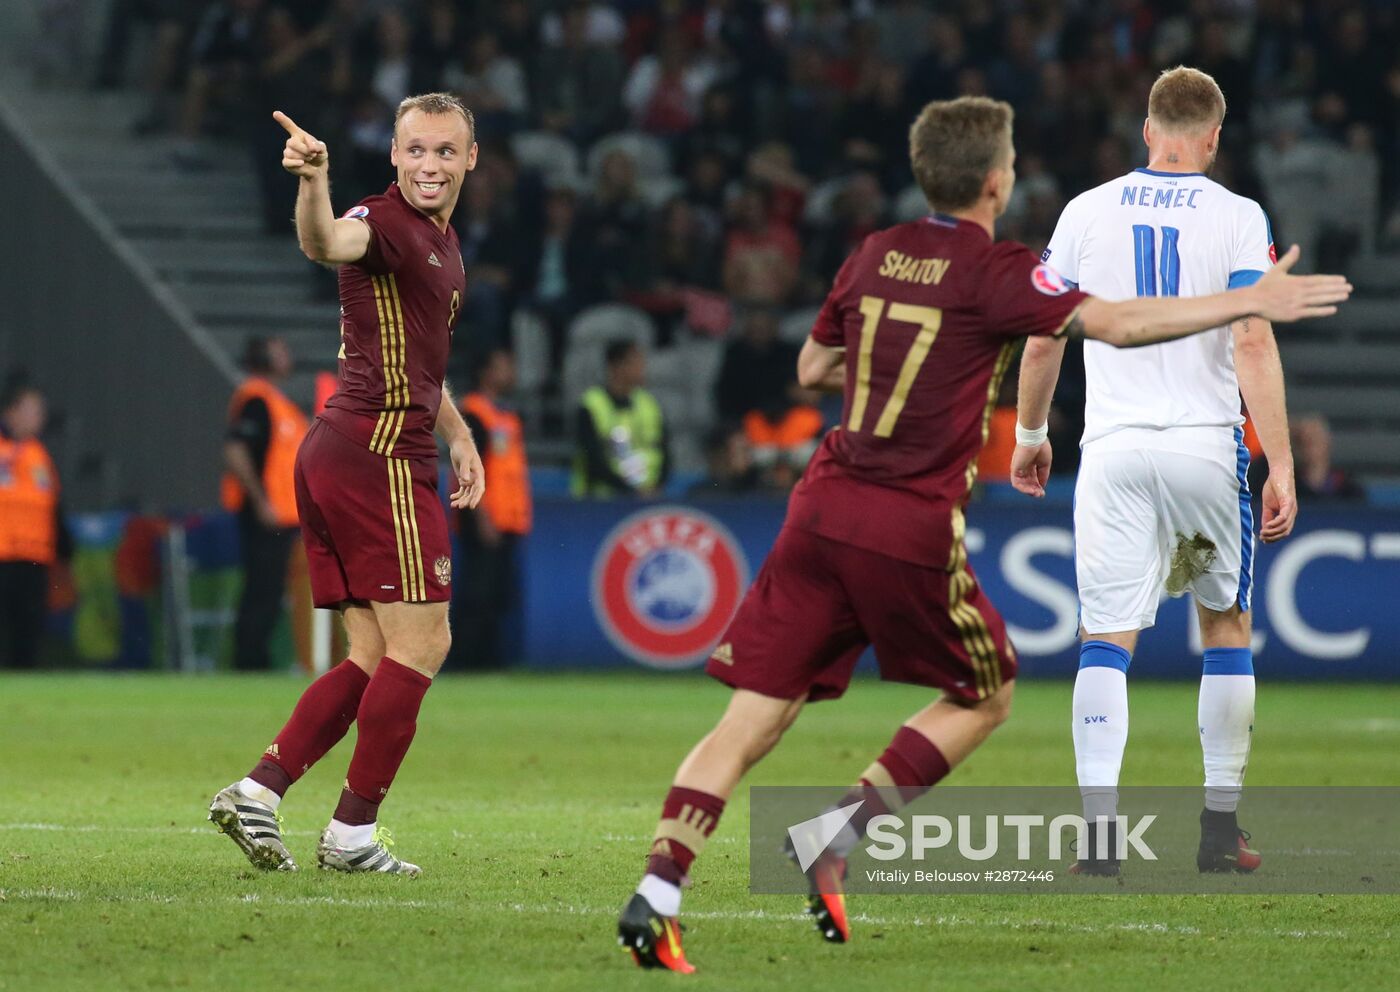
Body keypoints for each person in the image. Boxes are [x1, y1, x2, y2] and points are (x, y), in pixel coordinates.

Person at [615, 95, 1350, 972]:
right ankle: (836, 834)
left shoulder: (874, 252)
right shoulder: (999, 271)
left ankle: (658, 890)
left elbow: (813, 366)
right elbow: (1112, 323)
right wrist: (1249, 303)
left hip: (819, 509)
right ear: (999, 179)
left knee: (754, 717)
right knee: (990, 689)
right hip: (915, 519)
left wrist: (928, 370)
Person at [1013, 67, 1301, 877]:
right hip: (1201, 458)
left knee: (1106, 639)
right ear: (1213, 137)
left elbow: (1042, 338)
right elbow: (1250, 340)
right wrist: (1278, 460)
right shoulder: (1240, 217)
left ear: (1147, 130)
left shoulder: (1084, 211)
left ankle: (1101, 840)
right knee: (1223, 627)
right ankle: (1216, 830)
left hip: (1113, 456)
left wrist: (1031, 434)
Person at [208, 92, 487, 877]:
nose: (429, 164)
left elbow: (424, 366)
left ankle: (257, 791)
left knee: (371, 651)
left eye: (444, 151)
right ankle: (353, 834)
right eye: (416, 150)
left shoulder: (441, 243)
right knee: (426, 642)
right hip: (379, 456)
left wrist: (460, 435)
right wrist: (313, 182)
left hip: (346, 449)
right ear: (394, 156)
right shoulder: (385, 224)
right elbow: (328, 240)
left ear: (471, 159)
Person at [221, 336, 308, 671]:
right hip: (265, 514)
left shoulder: (276, 402)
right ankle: (249, 662)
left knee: (270, 593)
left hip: (283, 515)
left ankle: (256, 659)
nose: (287, 355)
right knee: (261, 590)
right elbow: (235, 449)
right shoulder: (256, 399)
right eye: (279, 350)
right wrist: (260, 500)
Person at [453, 348, 532, 669]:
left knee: (497, 596)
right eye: (503, 365)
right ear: (485, 372)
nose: (510, 372)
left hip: (507, 519)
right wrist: (482, 516)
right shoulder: (472, 414)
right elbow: (469, 469)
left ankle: (487, 663)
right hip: (482, 517)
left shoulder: (507, 416)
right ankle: (465, 663)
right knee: (477, 595)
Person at [0, 379, 71, 668]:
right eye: (32, 409)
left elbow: (52, 504)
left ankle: (23, 693)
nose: (39, 416)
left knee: (28, 632)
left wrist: (64, 548)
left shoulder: (38, 454)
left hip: (34, 558)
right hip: (2, 555)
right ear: (11, 411)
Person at [571, 340, 669, 499]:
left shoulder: (650, 405)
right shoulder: (592, 405)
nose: (642, 368)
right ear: (616, 366)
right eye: (635, 362)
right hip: (601, 501)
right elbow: (593, 460)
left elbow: (664, 452)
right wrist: (630, 491)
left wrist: (656, 487)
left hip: (648, 498)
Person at [1290, 414, 1366, 502]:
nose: (1310, 446)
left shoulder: (1348, 489)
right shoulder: (1289, 489)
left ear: (1328, 442)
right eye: (1303, 440)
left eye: (1315, 438)